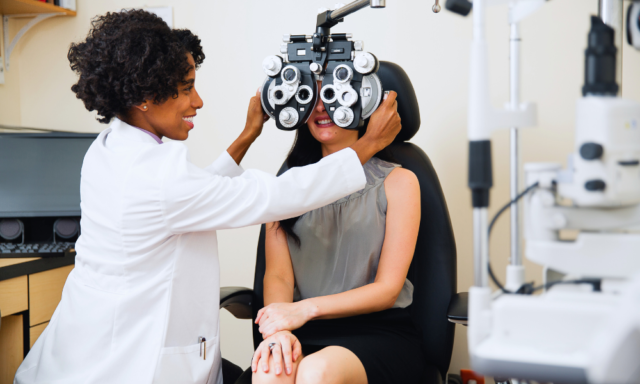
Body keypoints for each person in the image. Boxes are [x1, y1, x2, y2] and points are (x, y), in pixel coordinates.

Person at [14, 10, 402, 384]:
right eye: (186, 89)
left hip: (84, 346)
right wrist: (367, 146)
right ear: (145, 97)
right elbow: (269, 195)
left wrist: (248, 135)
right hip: (129, 363)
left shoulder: (110, 148)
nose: (197, 101)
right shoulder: (156, 176)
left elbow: (193, 198)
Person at [250, 84, 424, 384]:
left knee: (317, 372)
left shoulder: (400, 182)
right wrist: (278, 332)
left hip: (377, 332)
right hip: (302, 329)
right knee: (270, 371)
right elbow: (277, 276)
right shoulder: (287, 188)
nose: (320, 107)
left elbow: (388, 289)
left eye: (332, 95)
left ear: (364, 102)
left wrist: (304, 310)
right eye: (311, 97)